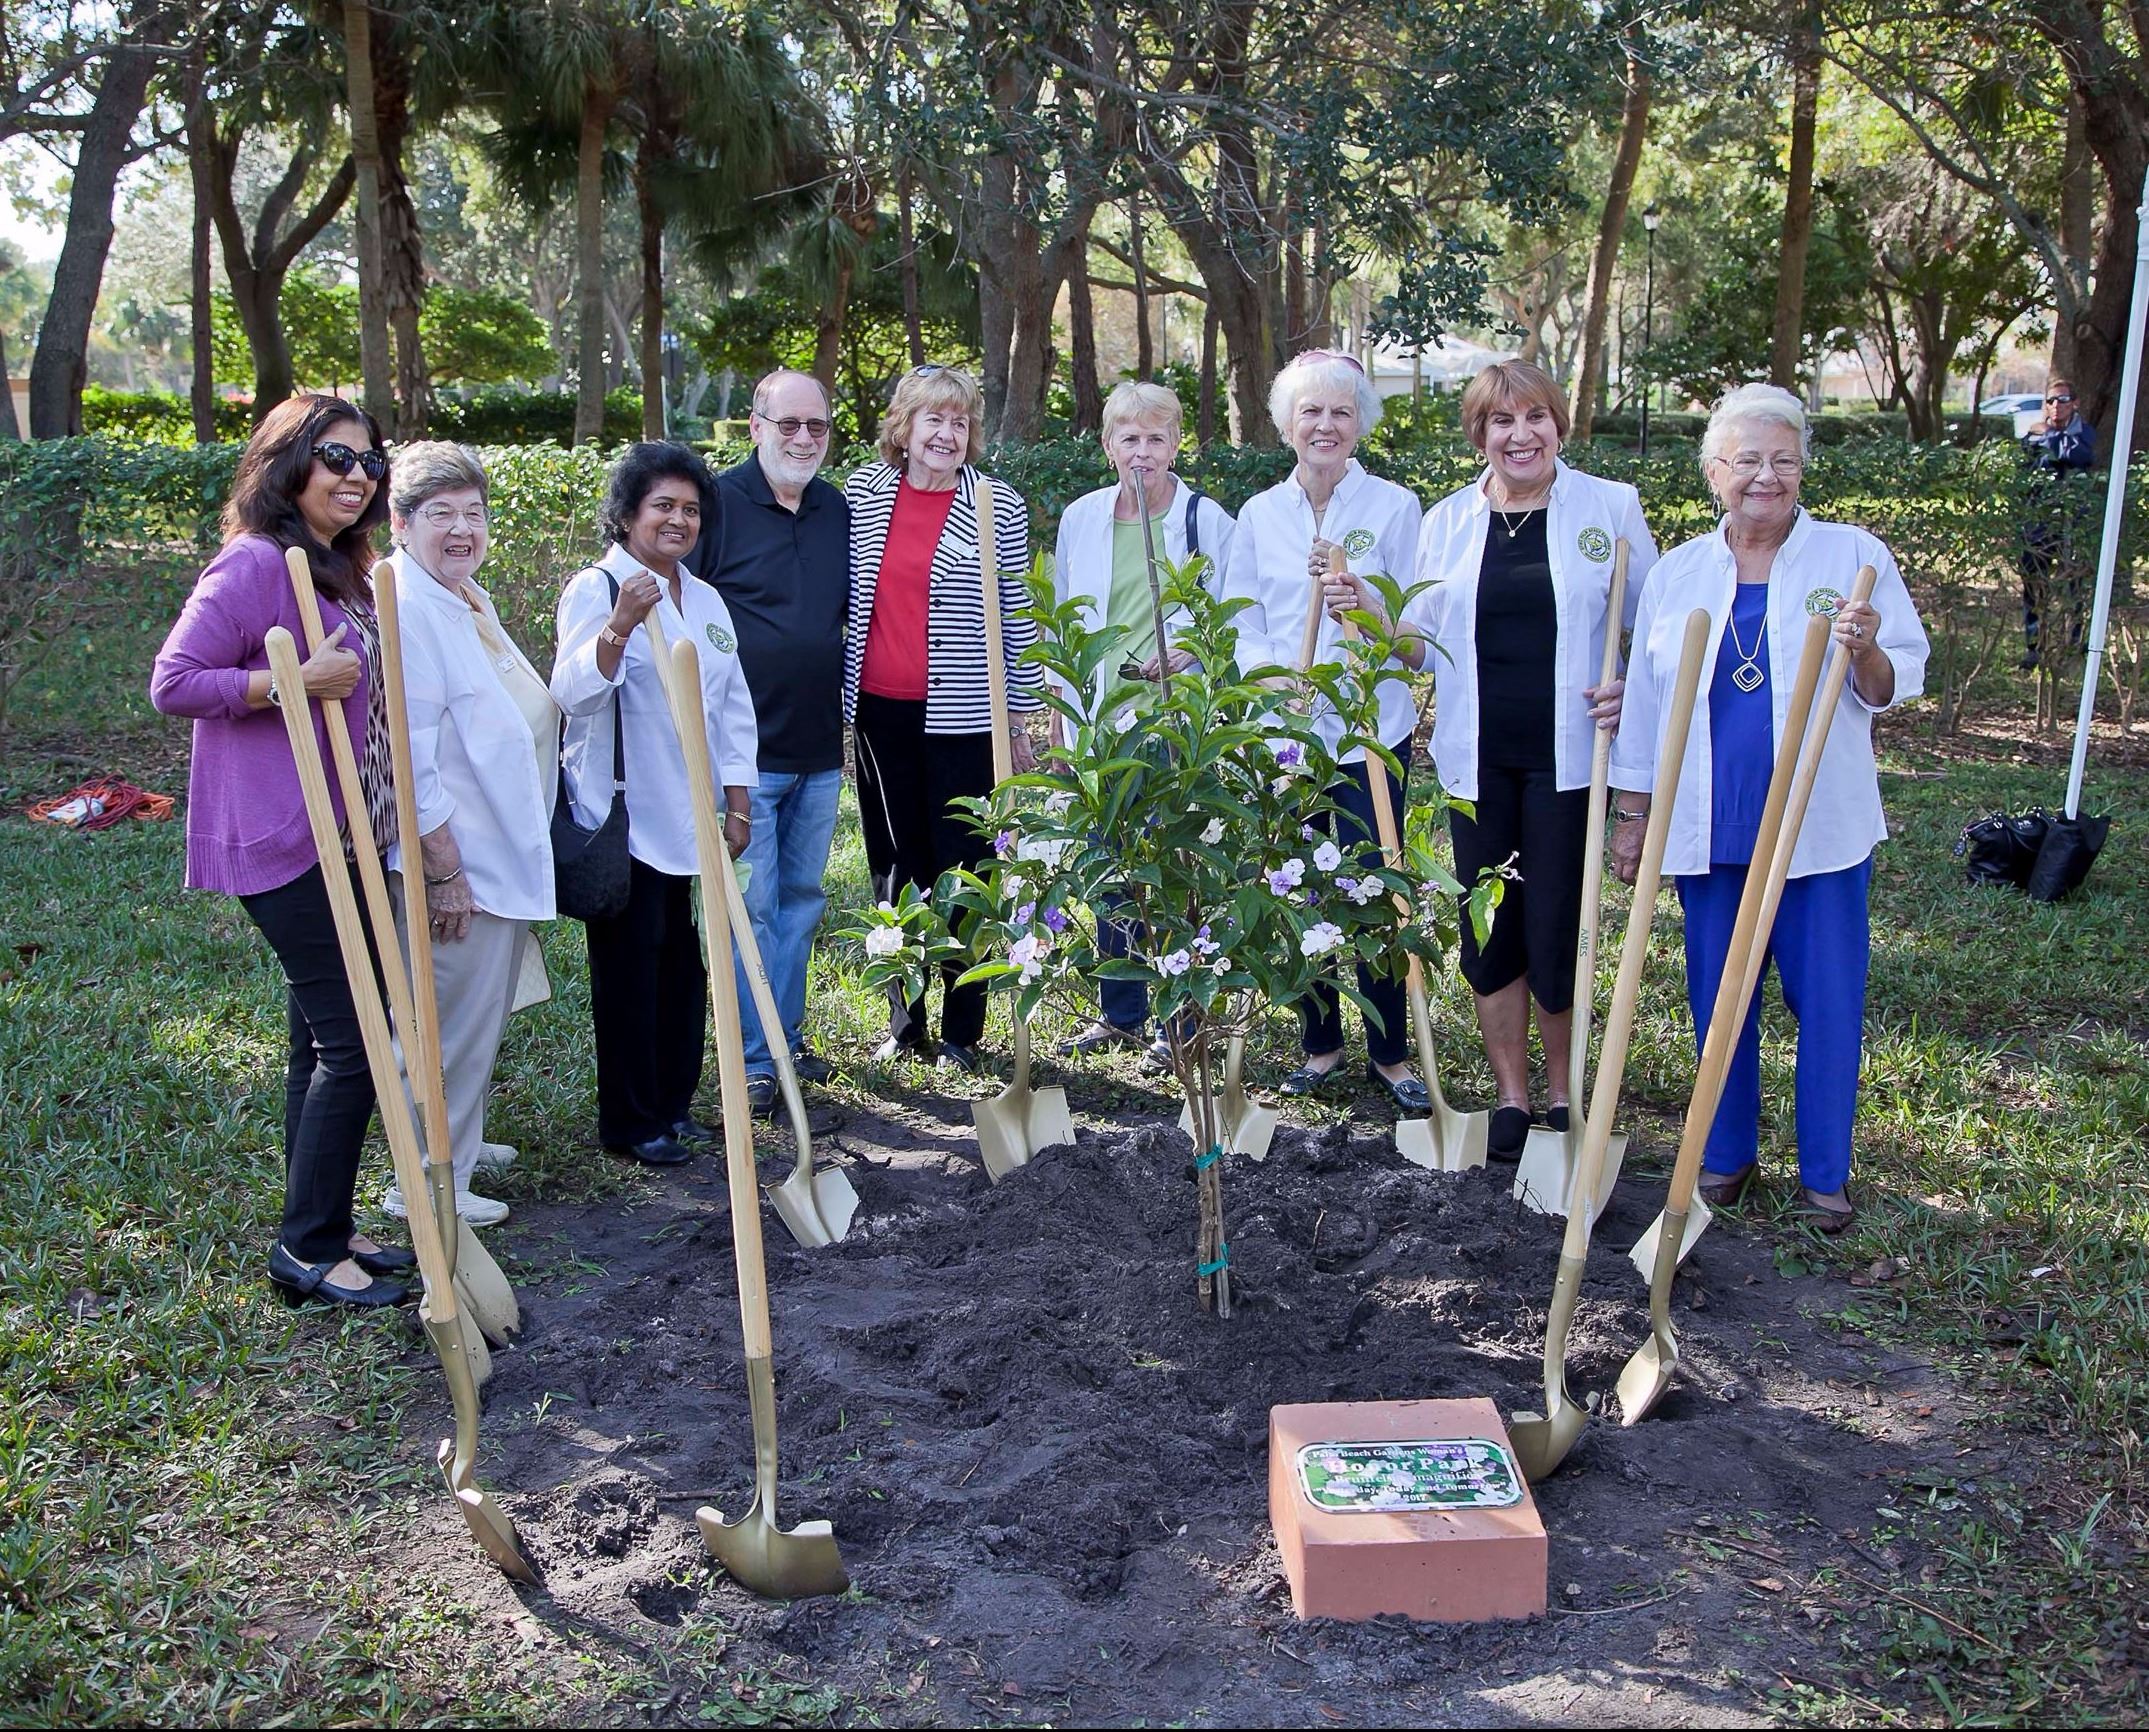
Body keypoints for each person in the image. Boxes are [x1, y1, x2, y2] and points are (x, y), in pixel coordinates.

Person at [1607, 383, 1929, 1233]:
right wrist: (1633, 813)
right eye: (1746, 460)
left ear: (1801, 471)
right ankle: (1725, 1154)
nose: (1765, 477)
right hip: (1710, 823)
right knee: (1718, 998)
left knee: (1826, 998)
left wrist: (1862, 651)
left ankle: (1825, 1171)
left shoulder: (1851, 557)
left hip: (1817, 830)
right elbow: (1645, 705)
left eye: (1782, 461)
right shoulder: (1678, 572)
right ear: (1713, 471)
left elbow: (1892, 685)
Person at [150, 392, 413, 1309]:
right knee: (356, 1042)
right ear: (286, 462)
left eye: (370, 462)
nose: (356, 476)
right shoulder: (255, 563)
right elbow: (173, 681)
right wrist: (286, 683)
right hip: (280, 832)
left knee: (319, 1039)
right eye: (337, 458)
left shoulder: (340, 566)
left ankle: (324, 1226)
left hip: (340, 831)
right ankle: (305, 1250)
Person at [1404, 360, 1658, 1161]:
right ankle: (1509, 1095)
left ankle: (1559, 1094)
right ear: (1479, 436)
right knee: (1490, 934)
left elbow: (1648, 630)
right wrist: (1367, 612)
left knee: (1554, 929)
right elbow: (1412, 648)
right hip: (1474, 763)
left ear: (1557, 423)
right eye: (1500, 423)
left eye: (1534, 418)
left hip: (1568, 761)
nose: (1520, 436)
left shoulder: (1608, 508)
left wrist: (1629, 687)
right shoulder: (1446, 521)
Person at [1216, 349, 1429, 1111]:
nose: (1326, 425)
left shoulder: (1395, 507)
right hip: (1288, 734)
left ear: (1360, 425)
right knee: (1296, 886)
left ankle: (1391, 1052)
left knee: (1375, 885)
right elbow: (1240, 620)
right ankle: (1319, 1043)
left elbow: (1413, 637)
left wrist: (1365, 604)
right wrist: (1275, 679)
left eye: (1341, 412)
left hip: (1370, 732)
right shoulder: (1259, 515)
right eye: (1310, 411)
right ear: (1285, 425)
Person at [551, 443, 758, 1167]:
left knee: (682, 971)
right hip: (626, 816)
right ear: (629, 514)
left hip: (692, 814)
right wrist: (618, 625)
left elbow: (731, 708)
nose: (678, 520)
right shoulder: (596, 586)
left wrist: (738, 802)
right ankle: (631, 1122)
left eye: (691, 509)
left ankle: (673, 1104)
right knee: (630, 972)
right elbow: (570, 694)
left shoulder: (702, 598)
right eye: (662, 506)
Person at [380, 442, 558, 1227]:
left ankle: (463, 1136)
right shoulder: (408, 606)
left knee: (479, 1008)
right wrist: (442, 869)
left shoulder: (462, 596)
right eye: (440, 515)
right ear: (400, 522)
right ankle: (423, 1175)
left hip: (497, 847)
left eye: (474, 514)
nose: (462, 529)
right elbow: (408, 751)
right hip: (458, 856)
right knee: (443, 1017)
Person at [844, 363, 1041, 1071]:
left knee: (966, 869)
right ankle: (904, 1022)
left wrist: (1021, 721)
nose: (947, 434)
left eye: (959, 422)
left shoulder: (995, 503)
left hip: (966, 719)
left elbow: (1017, 619)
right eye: (933, 419)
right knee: (894, 868)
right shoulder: (862, 497)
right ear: (903, 427)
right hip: (879, 715)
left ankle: (962, 1031)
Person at [1051, 379, 1237, 1063]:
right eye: (1128, 438)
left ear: (1175, 444)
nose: (1142, 451)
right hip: (1102, 723)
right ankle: (1119, 1012)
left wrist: (1191, 648)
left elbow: (1233, 613)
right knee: (1110, 868)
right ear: (1107, 447)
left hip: (1173, 728)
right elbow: (1066, 618)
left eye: (1155, 437)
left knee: (1175, 868)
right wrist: (1059, 720)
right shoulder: (1083, 518)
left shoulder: (1205, 521)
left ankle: (1179, 1020)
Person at [686, 370, 849, 1113]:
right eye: (789, 425)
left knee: (802, 902)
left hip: (817, 751)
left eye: (816, 427)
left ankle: (786, 1038)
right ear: (754, 426)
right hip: (741, 759)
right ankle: (753, 1061)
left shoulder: (833, 508)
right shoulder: (715, 506)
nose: (804, 439)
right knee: (749, 911)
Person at [2016, 377, 2097, 668]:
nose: (2055, 406)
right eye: (2050, 400)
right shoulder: (2032, 437)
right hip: (2037, 524)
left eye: (2062, 400)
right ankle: (2033, 647)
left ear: (2075, 403)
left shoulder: (2084, 433)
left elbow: (2077, 455)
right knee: (2034, 586)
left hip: (2072, 524)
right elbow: (2023, 472)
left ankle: (2074, 643)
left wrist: (2048, 434)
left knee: (2074, 587)